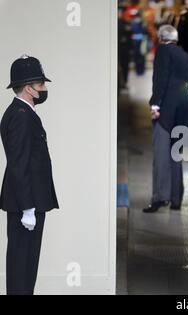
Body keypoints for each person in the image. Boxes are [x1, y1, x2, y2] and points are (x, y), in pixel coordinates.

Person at [1, 55, 59, 295]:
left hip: (31, 202)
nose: (44, 89)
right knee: (21, 268)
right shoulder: (21, 116)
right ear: (28, 88)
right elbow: (19, 163)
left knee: (26, 267)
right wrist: (27, 208)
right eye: (41, 84)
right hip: (27, 204)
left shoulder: (23, 113)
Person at [143, 25, 188, 213]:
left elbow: (160, 79)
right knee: (175, 154)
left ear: (160, 38)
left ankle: (159, 198)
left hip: (166, 110)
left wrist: (155, 105)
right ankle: (175, 199)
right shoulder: (184, 54)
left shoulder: (163, 51)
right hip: (183, 109)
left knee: (160, 155)